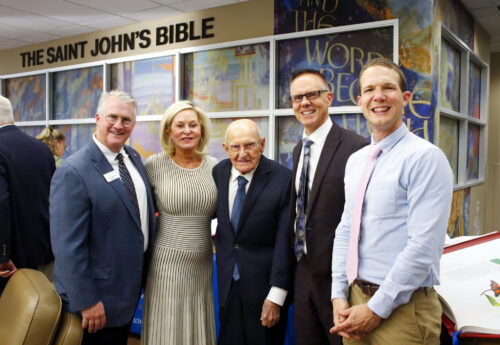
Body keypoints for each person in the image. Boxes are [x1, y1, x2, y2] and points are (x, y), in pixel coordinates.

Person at [330, 57, 453, 345]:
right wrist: (338, 293)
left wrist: (376, 308)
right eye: (370, 89)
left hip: (403, 311)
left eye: (388, 87)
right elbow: (346, 230)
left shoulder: (425, 158)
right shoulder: (356, 161)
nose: (379, 96)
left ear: (405, 98)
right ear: (360, 101)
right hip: (354, 301)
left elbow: (424, 247)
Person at [50, 90, 156, 345]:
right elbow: (67, 247)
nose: (119, 125)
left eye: (126, 120)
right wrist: (86, 300)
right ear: (97, 118)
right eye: (112, 117)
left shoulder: (133, 158)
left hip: (127, 292)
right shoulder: (74, 171)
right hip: (95, 301)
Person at [288, 69, 368, 345]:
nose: (305, 103)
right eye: (298, 97)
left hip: (339, 280)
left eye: (312, 94)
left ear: (329, 97)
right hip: (303, 271)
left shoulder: (357, 148)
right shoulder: (299, 150)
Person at [142, 100, 217, 345]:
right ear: (168, 132)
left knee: (197, 325)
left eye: (193, 125)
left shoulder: (215, 167)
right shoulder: (154, 166)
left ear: (201, 130)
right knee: (168, 329)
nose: (187, 131)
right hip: (166, 264)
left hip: (202, 263)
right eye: (180, 125)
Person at [212, 119, 293, 345]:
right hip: (228, 287)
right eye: (235, 147)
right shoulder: (219, 172)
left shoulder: (283, 179)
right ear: (225, 148)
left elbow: (285, 243)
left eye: (249, 145)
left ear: (262, 145)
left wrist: (276, 297)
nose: (242, 154)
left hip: (265, 293)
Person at [0, 95, 56, 289]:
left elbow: (1, 206)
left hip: (13, 263)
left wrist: (2, 254)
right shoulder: (42, 148)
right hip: (47, 252)